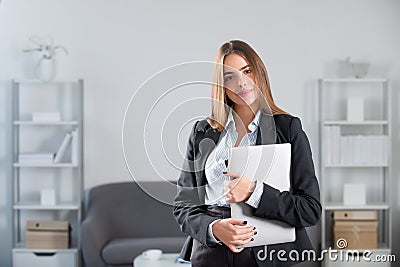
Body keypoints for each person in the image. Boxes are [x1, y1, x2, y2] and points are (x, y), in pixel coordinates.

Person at [173, 40, 321, 267]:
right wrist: (213, 229)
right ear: (221, 84)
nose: (241, 83)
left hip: (268, 254)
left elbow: (310, 210)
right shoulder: (203, 131)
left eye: (247, 71)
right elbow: (184, 206)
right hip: (211, 254)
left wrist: (254, 191)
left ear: (259, 73)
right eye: (230, 77)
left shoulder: (288, 128)